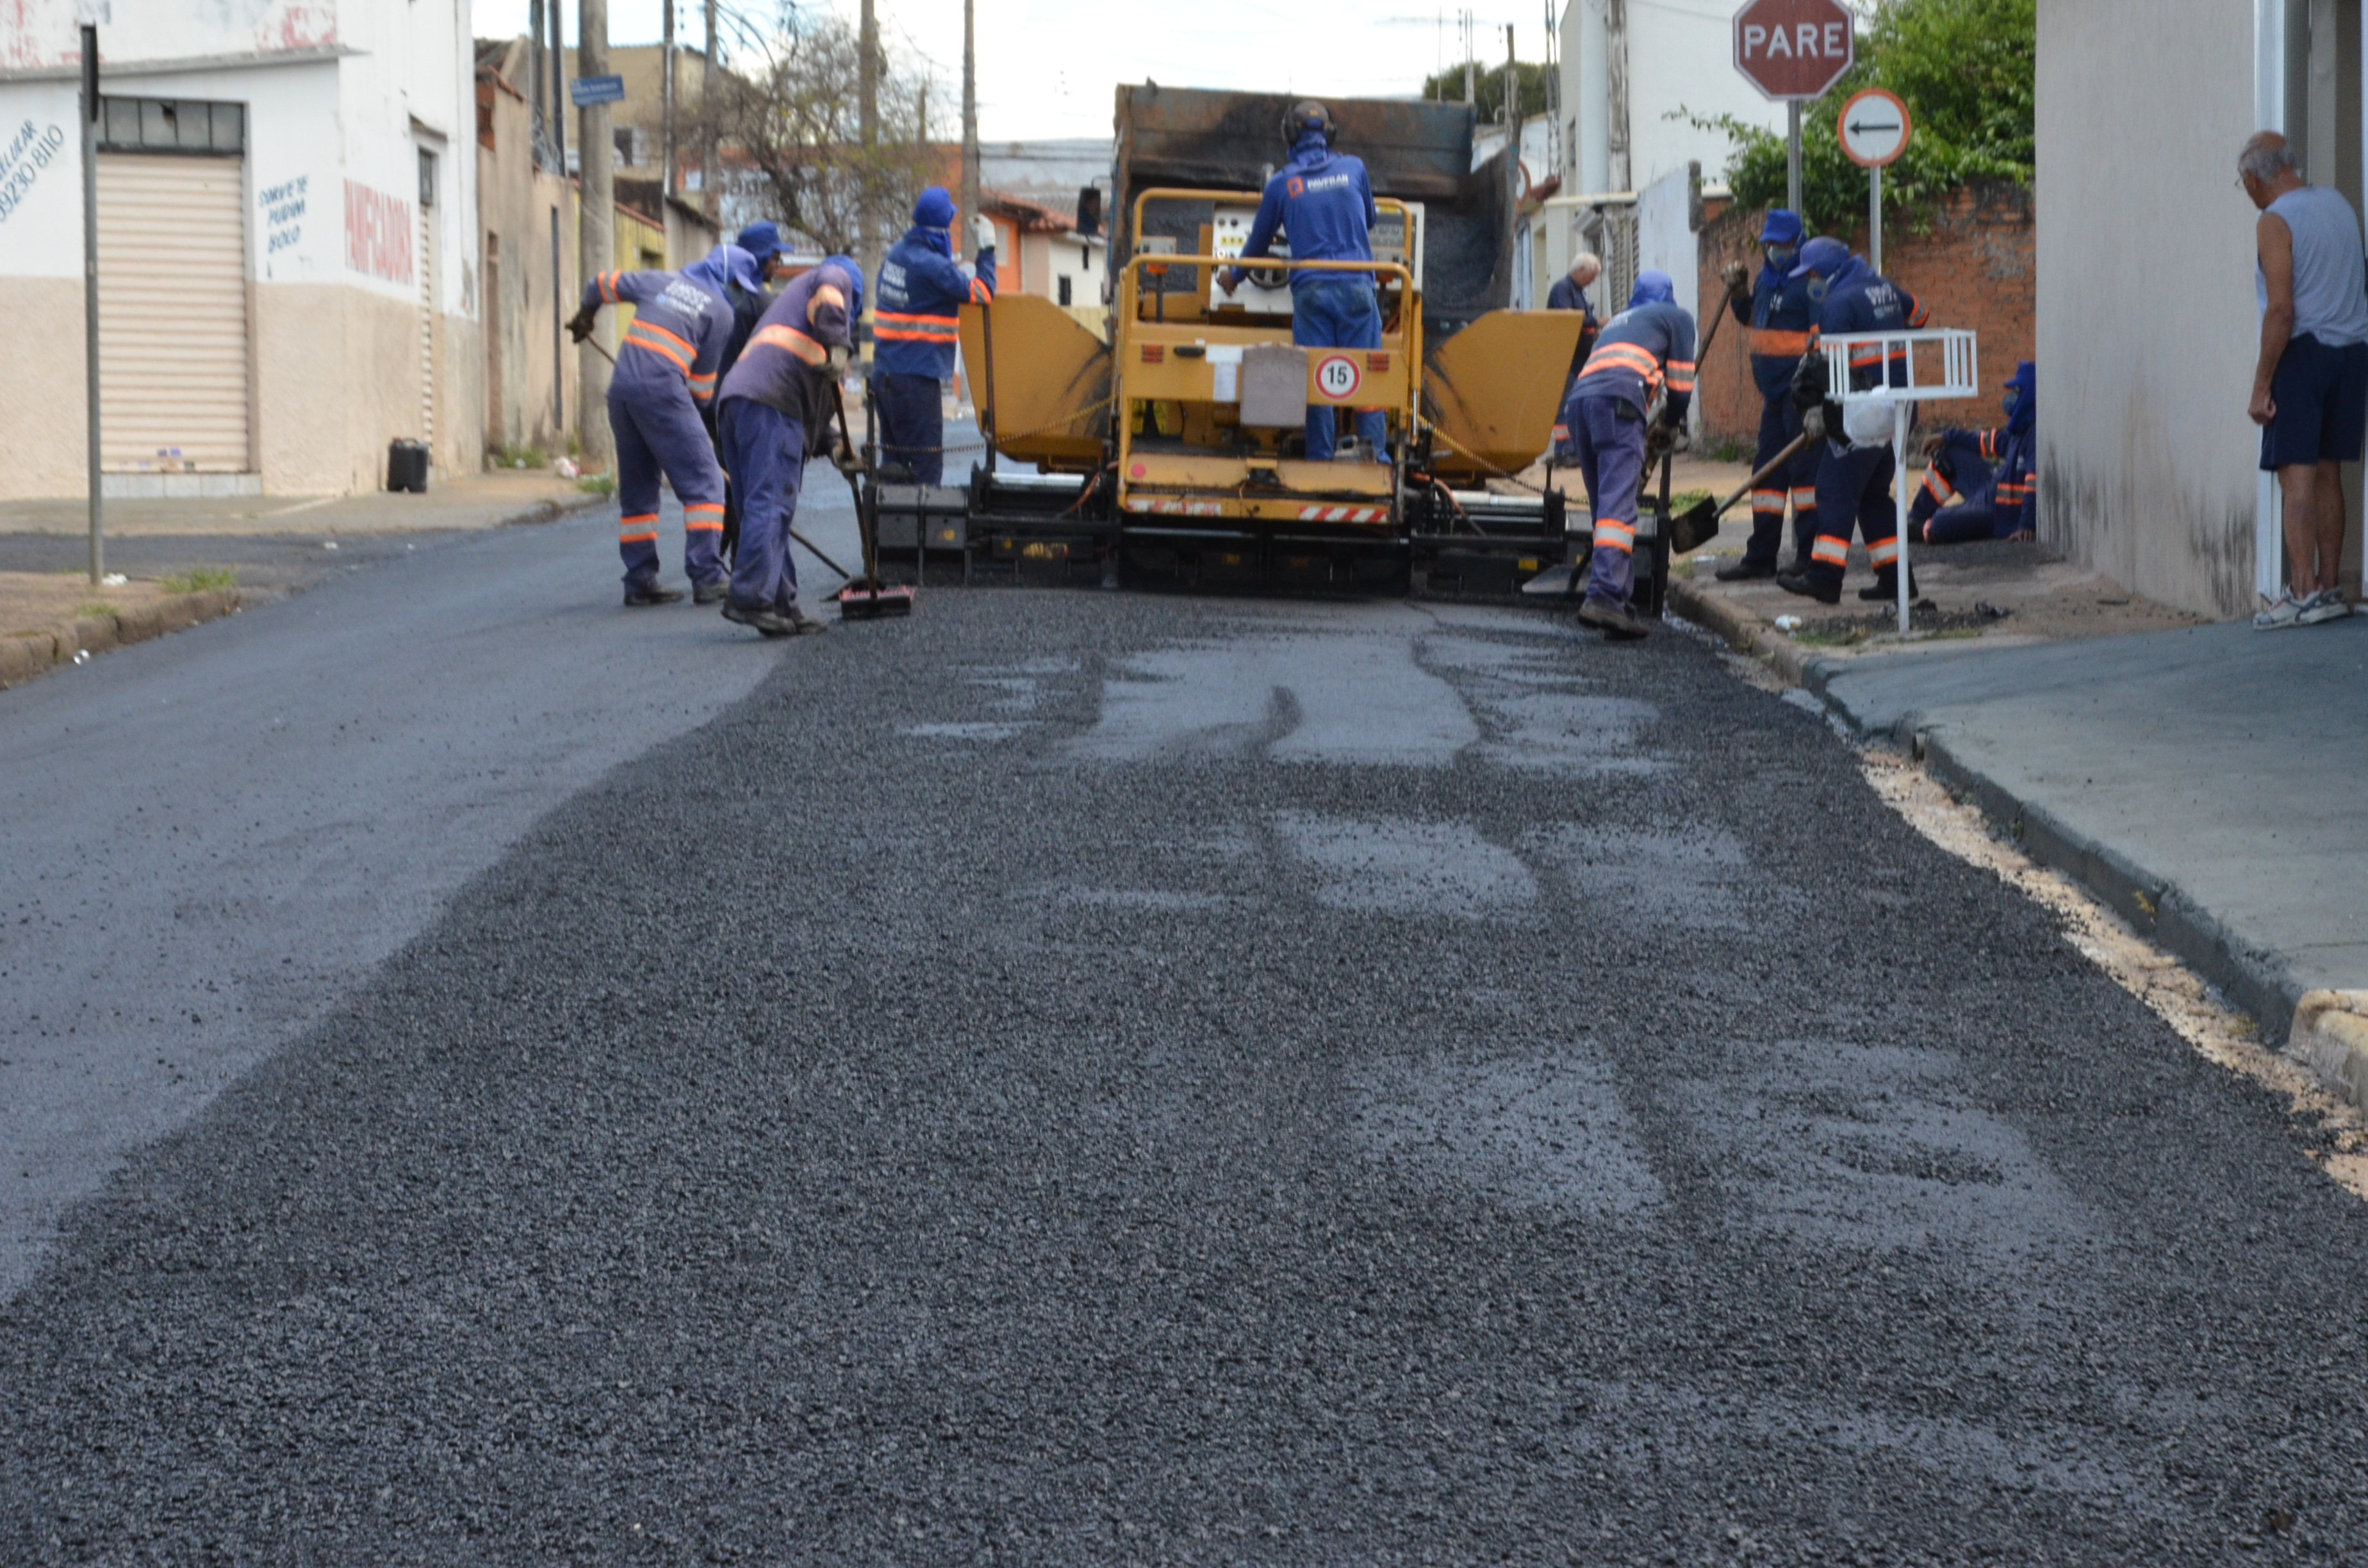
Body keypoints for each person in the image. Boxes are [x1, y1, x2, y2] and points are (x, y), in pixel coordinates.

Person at [567, 243, 759, 605]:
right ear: (728, 278)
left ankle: (639, 579)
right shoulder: (720, 311)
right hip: (663, 394)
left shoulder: (659, 280)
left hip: (622, 393)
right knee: (707, 482)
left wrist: (586, 314)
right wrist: (688, 416)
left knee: (638, 490)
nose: (739, 293)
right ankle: (708, 575)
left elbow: (600, 283)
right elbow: (702, 389)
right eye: (740, 285)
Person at [1221, 101, 1388, 462]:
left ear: (1291, 136)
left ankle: (1320, 459)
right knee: (1369, 380)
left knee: (1316, 381)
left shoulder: (1282, 184)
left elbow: (1257, 244)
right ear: (1329, 133)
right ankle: (1376, 457)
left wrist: (1231, 277)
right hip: (1358, 288)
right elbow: (1370, 220)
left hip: (1312, 292)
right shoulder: (1354, 169)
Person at [2242, 130, 2362, 629]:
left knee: (2298, 478)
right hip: (2352, 351)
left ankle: (2301, 591)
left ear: (2254, 178)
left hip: (2304, 353)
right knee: (2330, 471)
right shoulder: (2338, 204)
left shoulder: (2276, 220)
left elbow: (2282, 309)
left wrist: (2261, 385)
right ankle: (2330, 588)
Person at [713, 255, 865, 638]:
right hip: (770, 403)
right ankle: (749, 597)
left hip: (739, 402)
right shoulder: (835, 278)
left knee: (760, 509)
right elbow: (833, 279)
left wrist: (837, 449)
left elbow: (817, 415)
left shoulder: (796, 317)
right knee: (772, 503)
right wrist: (840, 344)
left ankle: (781, 605)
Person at [1780, 236, 1930, 606]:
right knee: (1873, 496)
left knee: (1834, 491)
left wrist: (1817, 410)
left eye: (1813, 272)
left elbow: (1832, 367)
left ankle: (1825, 578)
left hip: (1867, 412)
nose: (1811, 279)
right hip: (1901, 408)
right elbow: (1921, 316)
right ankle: (1896, 580)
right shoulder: (1885, 287)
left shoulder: (1838, 302)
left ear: (1828, 269)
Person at [1561, 270, 1697, 641]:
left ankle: (1616, 600)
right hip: (1619, 405)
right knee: (1618, 510)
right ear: (1669, 296)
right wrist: (1669, 425)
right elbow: (1682, 389)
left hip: (1580, 406)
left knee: (1606, 508)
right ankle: (1604, 595)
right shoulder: (1677, 317)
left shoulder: (1619, 321)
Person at [1714, 209, 1823, 580]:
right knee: (1766, 476)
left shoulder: (1810, 282)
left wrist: (1817, 400)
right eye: (1770, 243)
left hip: (1801, 395)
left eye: (1783, 243)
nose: (1775, 249)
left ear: (1798, 242)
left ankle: (1810, 557)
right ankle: (1761, 555)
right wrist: (1740, 294)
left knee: (1805, 479)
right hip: (1773, 396)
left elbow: (1821, 343)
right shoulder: (1765, 278)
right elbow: (1753, 320)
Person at [873, 188, 998, 485]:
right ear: (943, 227)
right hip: (914, 383)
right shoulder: (932, 266)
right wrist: (988, 250)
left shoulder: (898, 254)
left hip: (885, 378)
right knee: (925, 472)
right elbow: (983, 292)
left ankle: (889, 531)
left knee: (894, 470)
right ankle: (922, 533)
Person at [715, 220, 789, 567]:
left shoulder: (719, 294)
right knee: (747, 487)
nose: (779, 264)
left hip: (710, 402)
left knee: (720, 485)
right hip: (745, 405)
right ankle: (745, 565)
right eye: (775, 257)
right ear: (760, 259)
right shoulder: (760, 303)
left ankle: (713, 561)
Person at [1907, 361, 2037, 544]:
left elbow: (2034, 483)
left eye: (2016, 392)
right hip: (1989, 488)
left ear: (2029, 395)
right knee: (1946, 457)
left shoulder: (2034, 436)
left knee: (1940, 524)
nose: (2011, 398)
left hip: (1998, 512)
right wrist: (1946, 437)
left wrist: (2027, 526)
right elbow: (1984, 442)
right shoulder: (2018, 430)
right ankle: (1915, 519)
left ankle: (1923, 530)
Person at [1545, 252, 1601, 457]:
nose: (1593, 281)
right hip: (1566, 359)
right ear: (1580, 271)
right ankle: (1563, 451)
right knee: (1565, 404)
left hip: (1579, 359)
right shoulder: (1563, 289)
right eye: (1592, 275)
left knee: (1577, 403)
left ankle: (1574, 448)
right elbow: (1568, 318)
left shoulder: (1578, 292)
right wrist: (1595, 322)